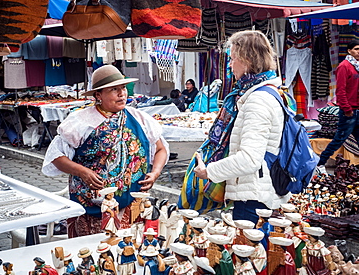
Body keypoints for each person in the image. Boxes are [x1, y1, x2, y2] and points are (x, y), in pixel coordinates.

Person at [42, 65, 169, 237]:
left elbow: (160, 149)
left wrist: (155, 173)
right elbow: (56, 156)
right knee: (96, 255)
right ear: (98, 95)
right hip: (92, 206)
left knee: (129, 254)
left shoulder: (140, 118)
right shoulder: (80, 122)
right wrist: (82, 171)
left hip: (134, 204)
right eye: (114, 89)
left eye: (123, 88)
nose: (121, 93)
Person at [194, 30, 289, 224]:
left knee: (252, 251)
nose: (229, 65)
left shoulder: (258, 100)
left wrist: (209, 171)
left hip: (254, 197)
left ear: (247, 60)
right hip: (257, 191)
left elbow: (249, 159)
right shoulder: (266, 92)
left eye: (232, 59)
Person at [317, 40, 359, 174]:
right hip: (349, 111)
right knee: (339, 139)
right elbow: (340, 90)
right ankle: (320, 163)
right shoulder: (344, 66)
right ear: (349, 51)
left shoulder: (357, 66)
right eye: (356, 49)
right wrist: (347, 109)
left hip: (357, 110)